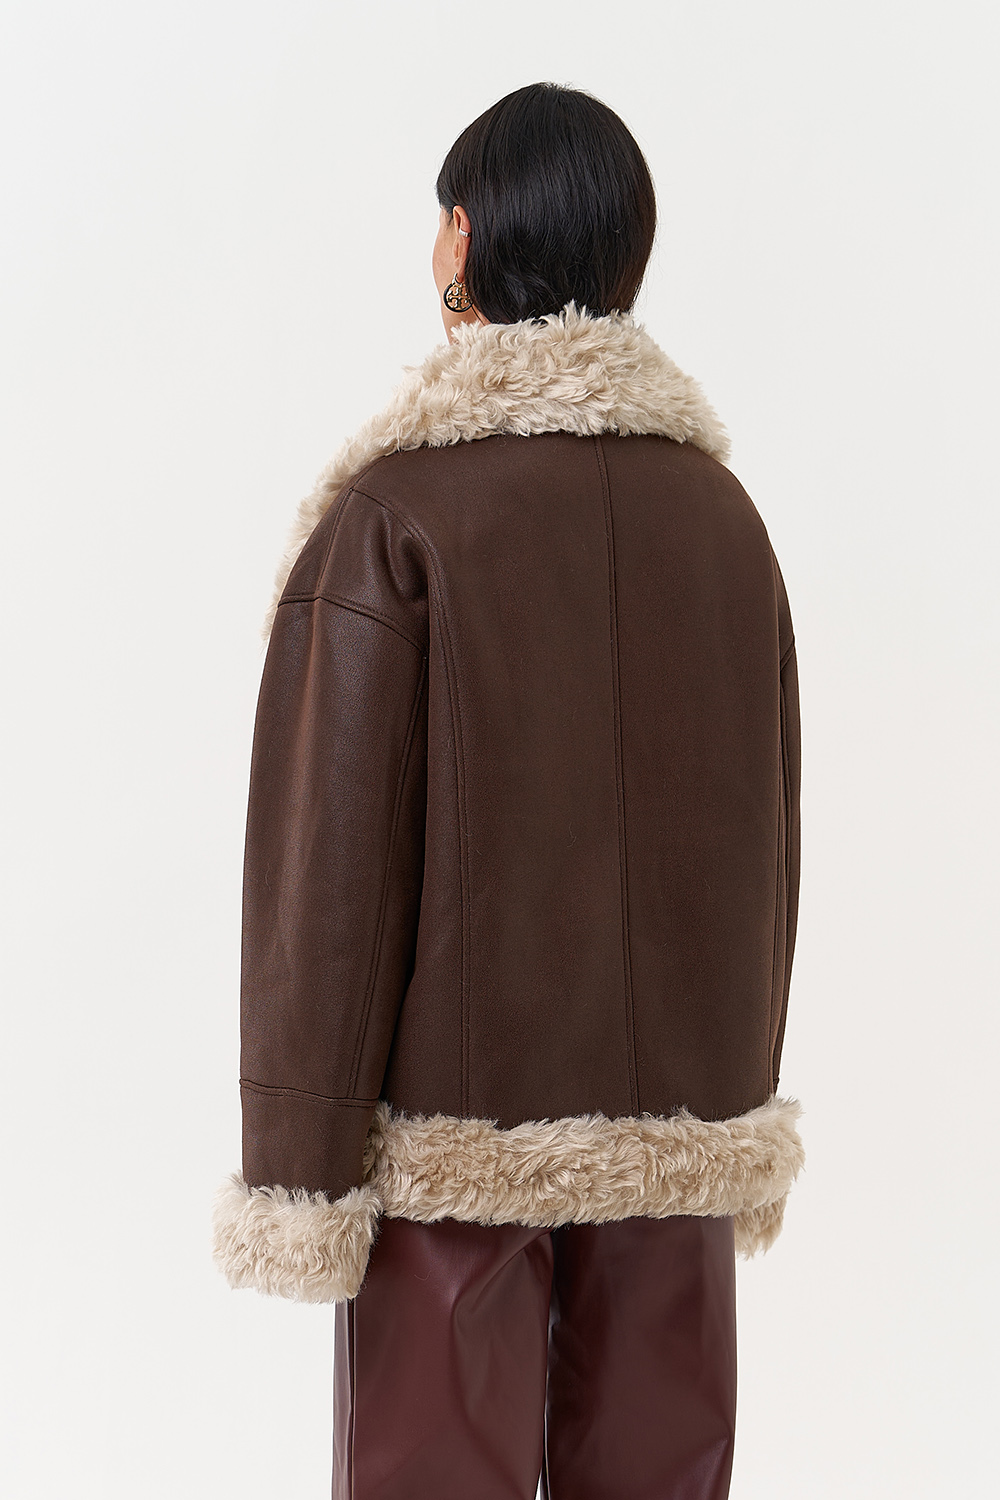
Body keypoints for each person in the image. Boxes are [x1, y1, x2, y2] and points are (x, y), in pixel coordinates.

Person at [213, 80, 804, 1500]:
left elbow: (331, 870)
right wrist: (731, 1087)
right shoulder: (725, 522)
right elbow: (768, 843)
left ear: (465, 238)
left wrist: (300, 1165)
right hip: (678, 1140)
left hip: (452, 1149)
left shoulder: (396, 517)